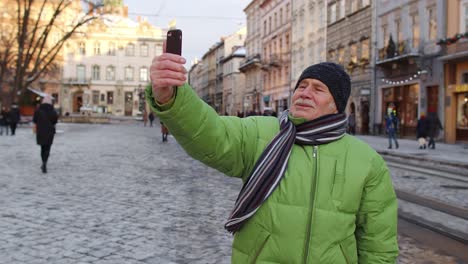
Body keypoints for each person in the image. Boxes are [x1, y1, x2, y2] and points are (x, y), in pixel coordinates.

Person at [147, 49, 398, 263]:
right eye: (302, 86)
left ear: (336, 105)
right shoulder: (262, 132)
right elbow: (210, 133)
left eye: (318, 89)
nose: (304, 93)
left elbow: (378, 243)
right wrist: (172, 97)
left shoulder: (366, 161)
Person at [33, 96, 58, 173]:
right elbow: (55, 121)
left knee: (42, 147)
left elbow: (34, 120)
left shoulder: (38, 111)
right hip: (50, 131)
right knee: (48, 147)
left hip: (41, 131)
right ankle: (45, 162)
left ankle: (43, 162)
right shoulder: (53, 111)